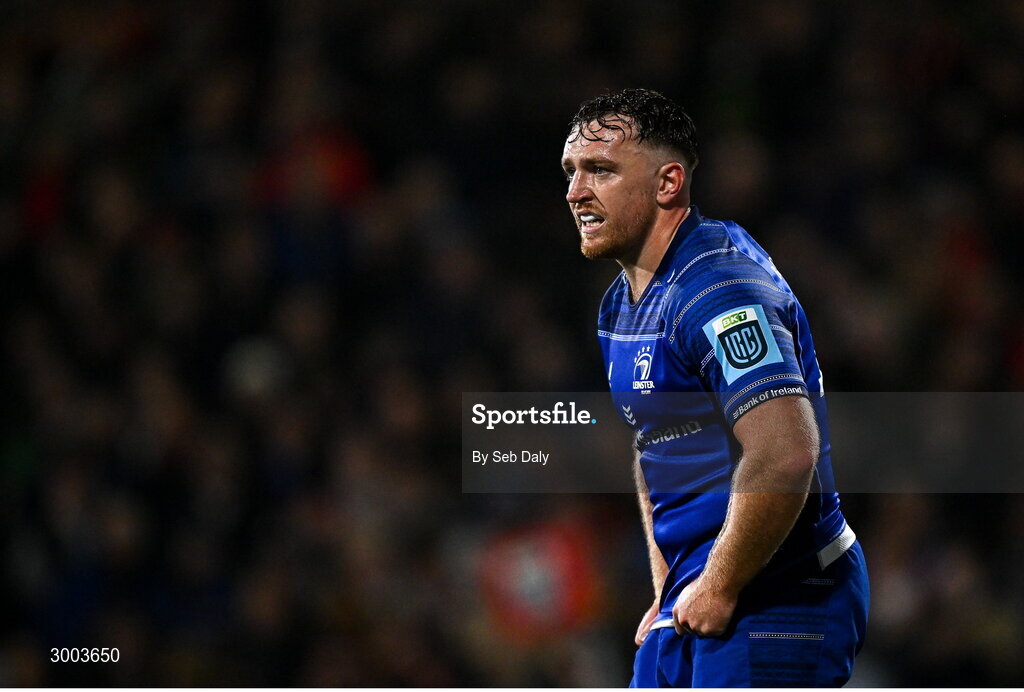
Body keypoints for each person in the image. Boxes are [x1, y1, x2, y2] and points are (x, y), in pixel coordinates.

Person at [560, 88, 869, 687]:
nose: (575, 192)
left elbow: (785, 453)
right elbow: (656, 446)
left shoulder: (720, 290)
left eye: (600, 170)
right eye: (571, 172)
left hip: (780, 595)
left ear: (668, 182)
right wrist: (669, 586)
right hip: (699, 594)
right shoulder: (621, 307)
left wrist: (720, 584)